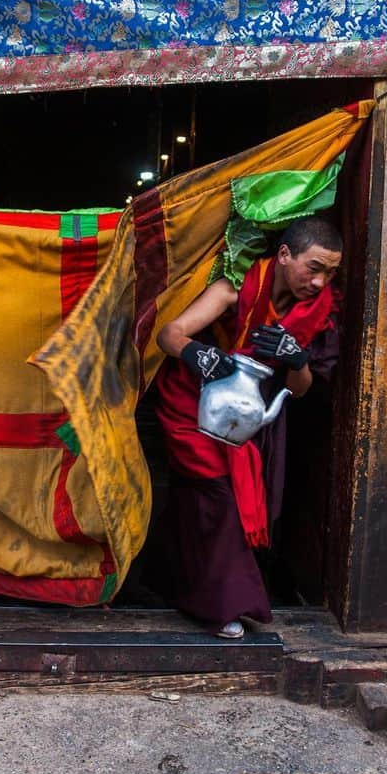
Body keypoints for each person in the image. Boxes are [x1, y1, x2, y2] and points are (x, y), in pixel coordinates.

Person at [151, 216, 342, 637]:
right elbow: (170, 334)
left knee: (204, 501)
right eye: (314, 267)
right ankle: (225, 607)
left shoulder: (316, 311)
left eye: (330, 273)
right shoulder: (233, 289)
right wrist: (198, 354)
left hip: (245, 415)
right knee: (219, 494)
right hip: (191, 403)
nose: (320, 282)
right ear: (285, 255)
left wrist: (296, 360)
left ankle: (175, 583)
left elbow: (300, 389)